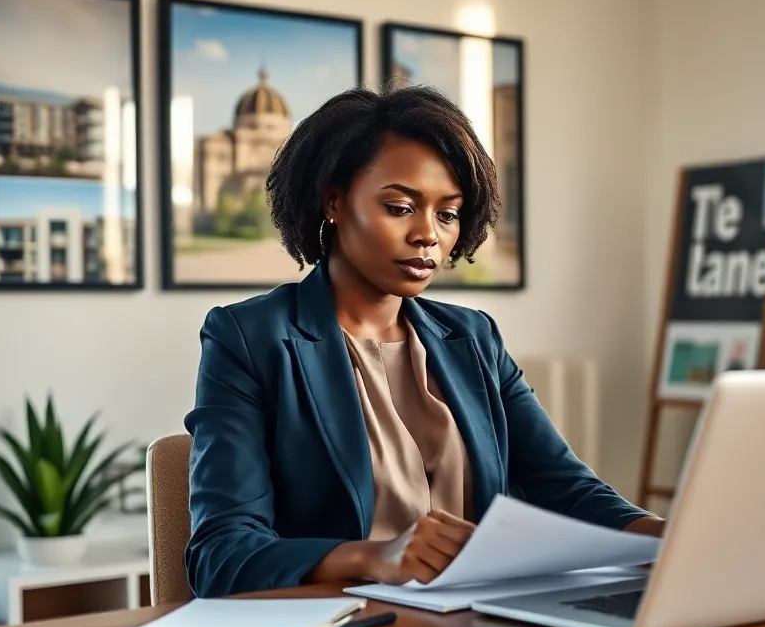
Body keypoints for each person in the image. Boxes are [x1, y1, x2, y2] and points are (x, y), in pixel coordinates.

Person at [183, 83, 665, 598]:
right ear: (333, 202)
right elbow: (221, 554)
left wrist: (670, 537)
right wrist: (377, 557)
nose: (428, 235)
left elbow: (568, 490)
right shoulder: (250, 338)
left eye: (448, 214)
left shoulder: (472, 338)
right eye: (399, 207)